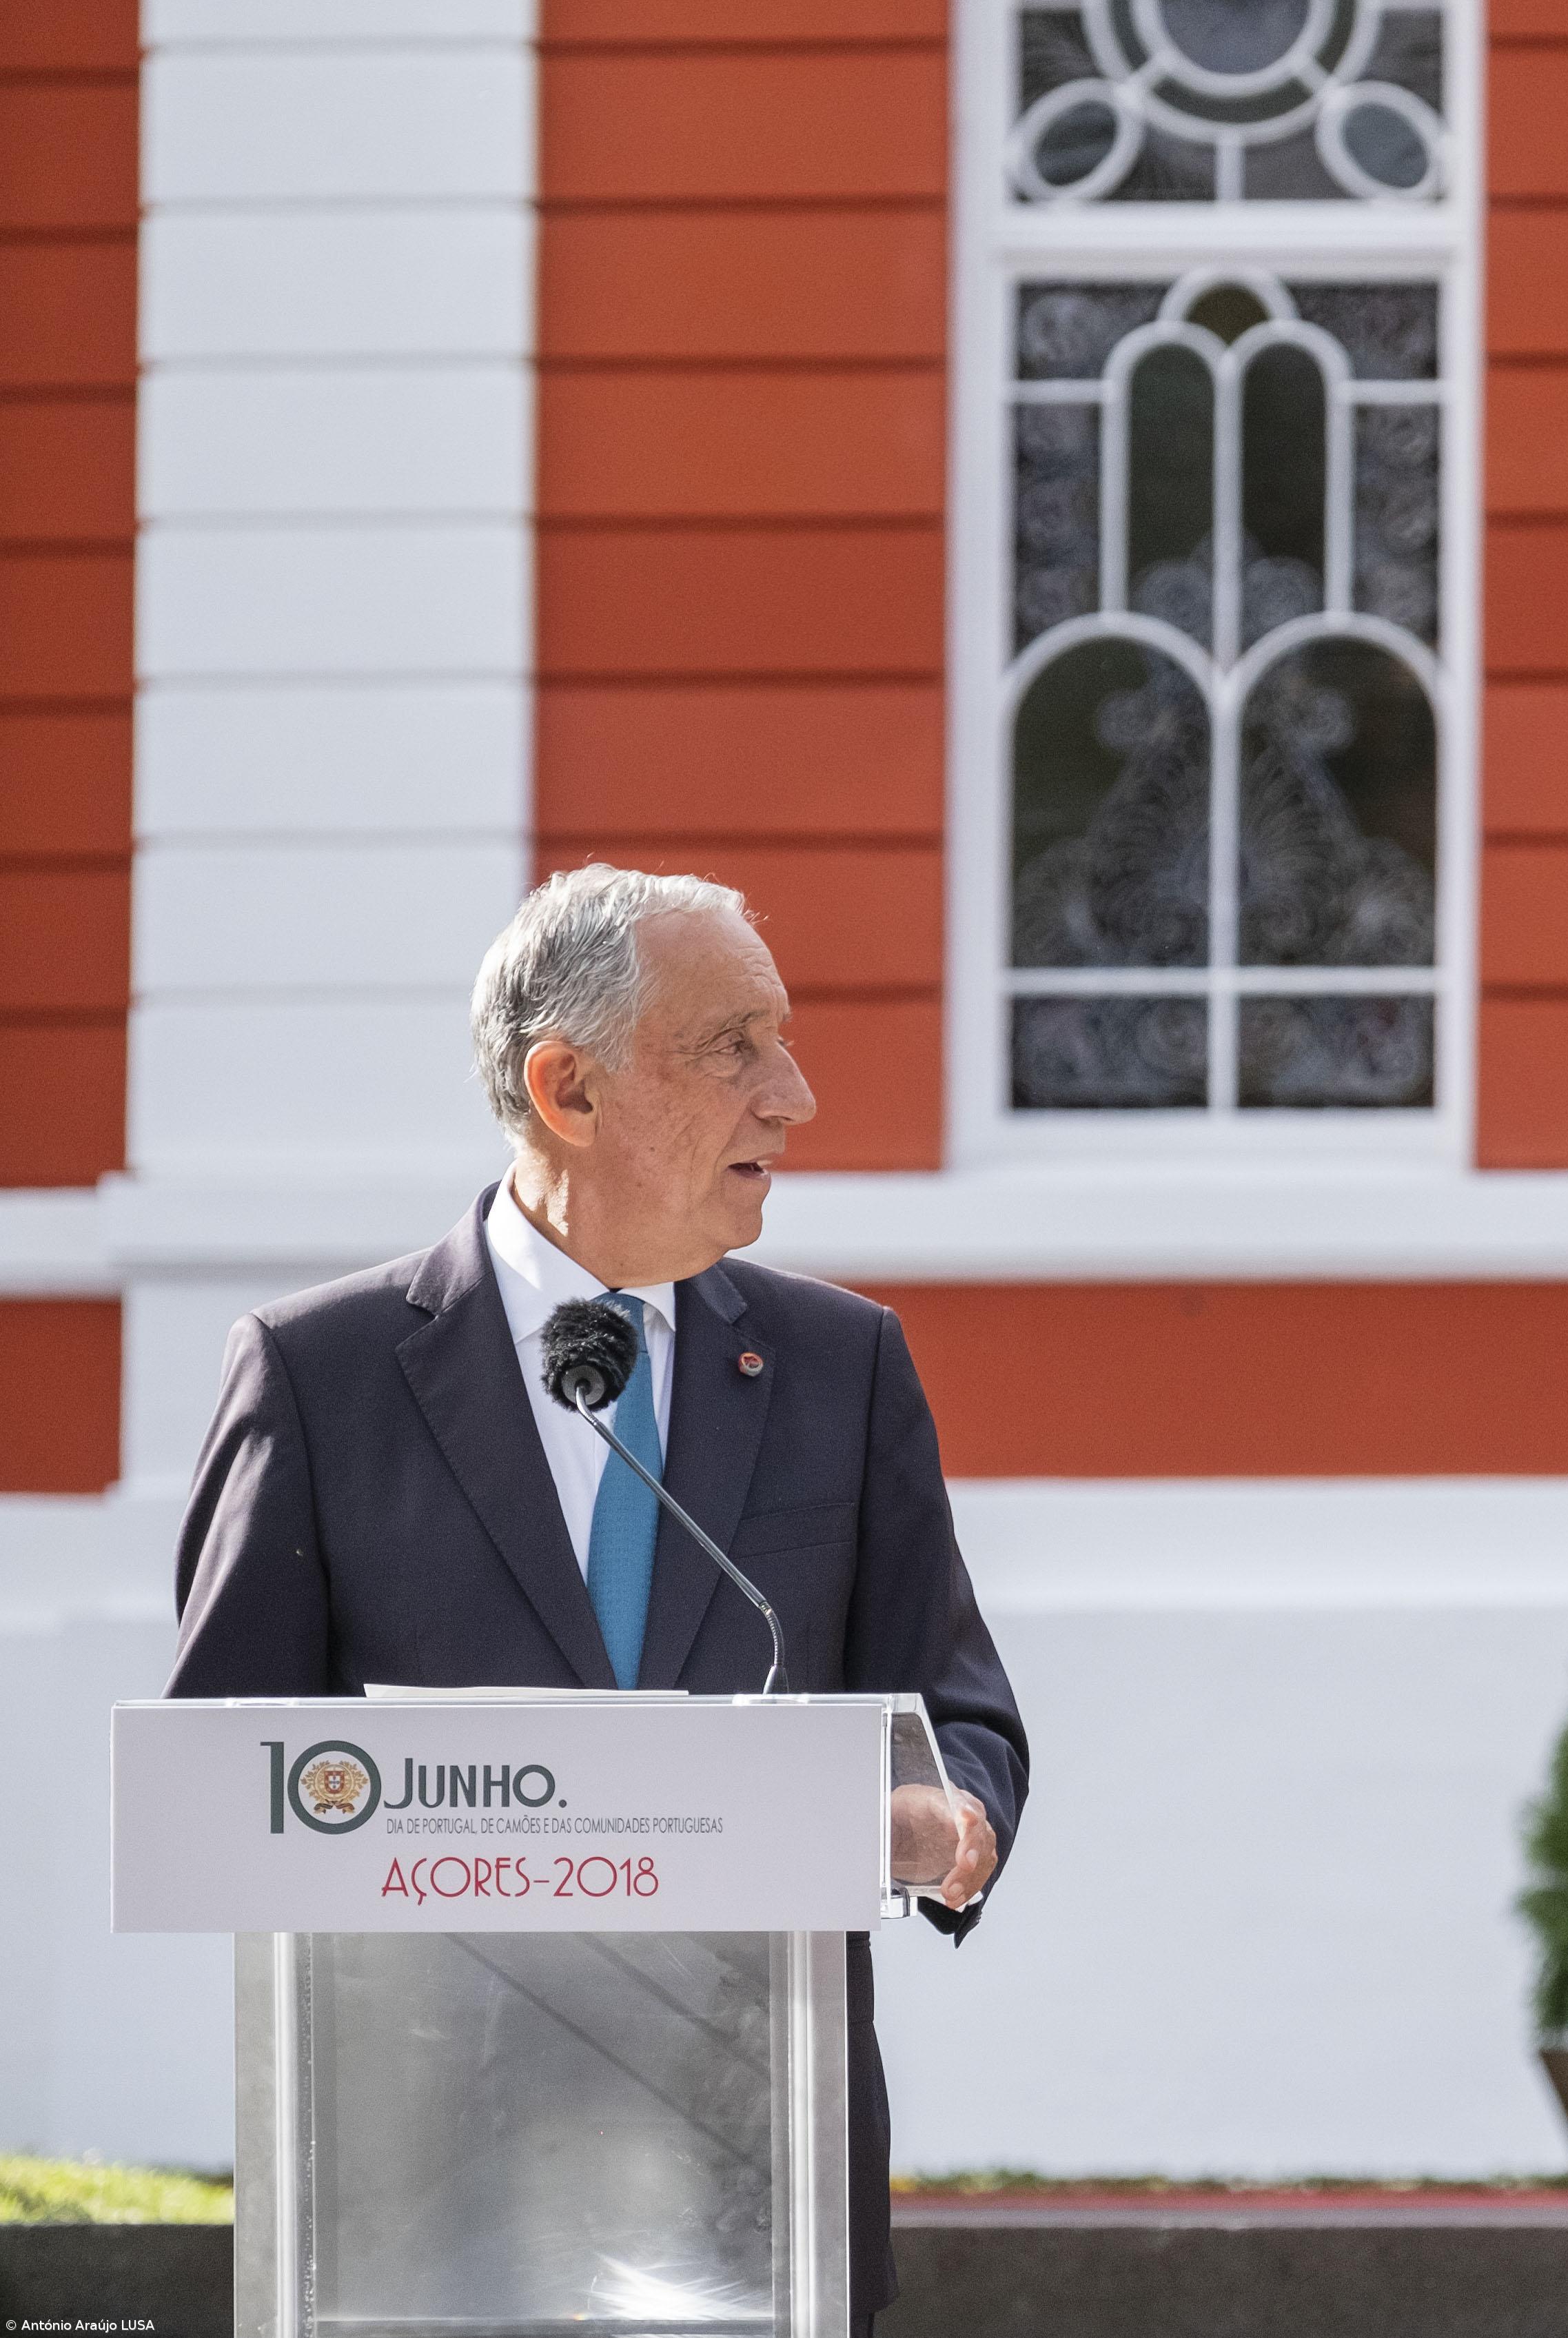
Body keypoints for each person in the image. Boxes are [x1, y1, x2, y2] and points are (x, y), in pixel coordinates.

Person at [170, 864, 1029, 2337]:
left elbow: (958, 1713)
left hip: (765, 2186)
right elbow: (219, 1786)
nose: (796, 1094)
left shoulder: (846, 1367)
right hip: (418, 2194)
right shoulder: (319, 1378)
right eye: (734, 1046)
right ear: (567, 1086)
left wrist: (955, 1822)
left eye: (786, 1038)